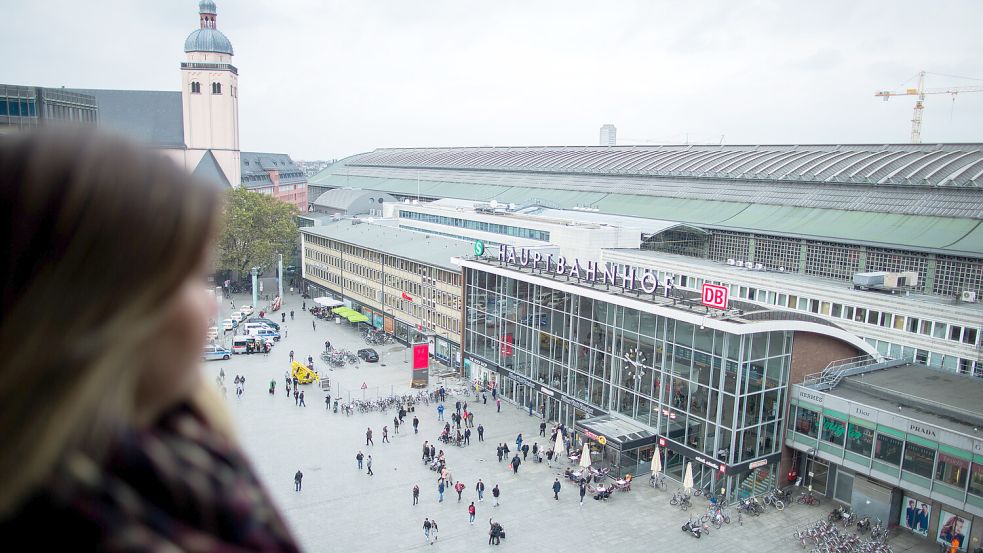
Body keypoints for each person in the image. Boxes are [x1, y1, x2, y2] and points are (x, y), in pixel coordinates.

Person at [0, 131, 302, 550]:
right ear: (101, 310)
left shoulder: (170, 445)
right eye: (193, 278)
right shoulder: (103, 516)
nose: (214, 308)